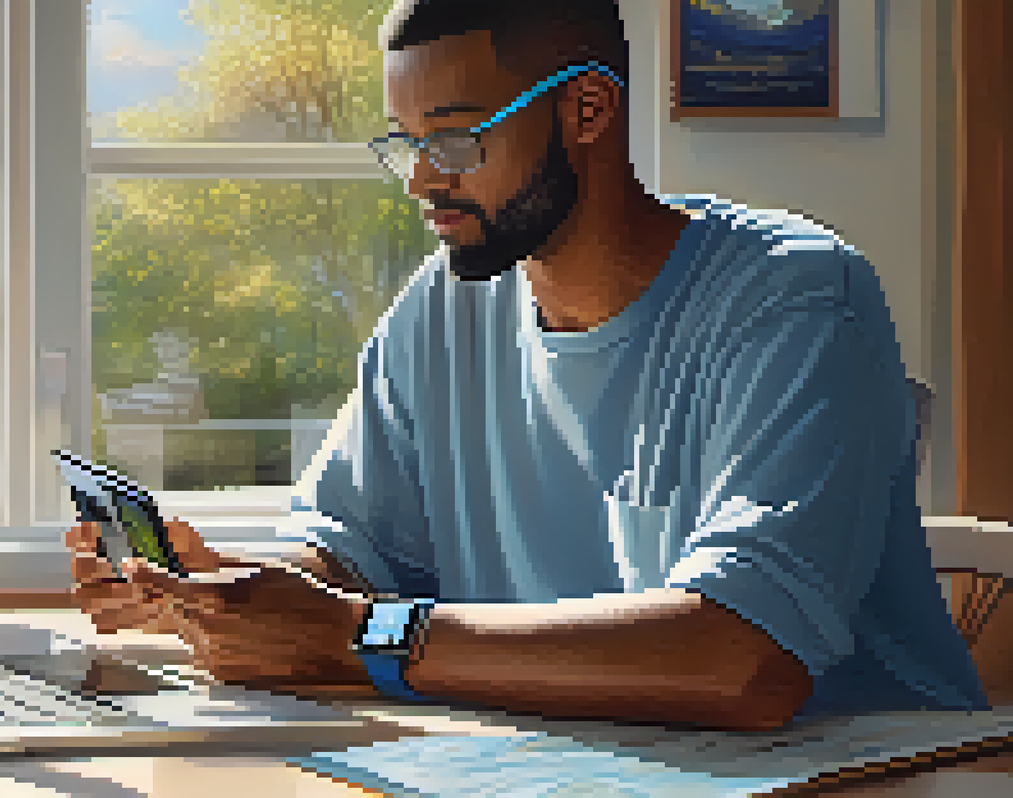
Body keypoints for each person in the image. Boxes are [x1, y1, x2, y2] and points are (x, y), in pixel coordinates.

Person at [67, 0, 988, 731]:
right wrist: (232, 597)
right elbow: (355, 553)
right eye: (407, 145)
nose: (424, 179)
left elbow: (740, 661)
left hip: (867, 774)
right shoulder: (444, 304)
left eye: (455, 139)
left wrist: (359, 635)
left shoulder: (794, 299)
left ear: (586, 108)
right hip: (565, 757)